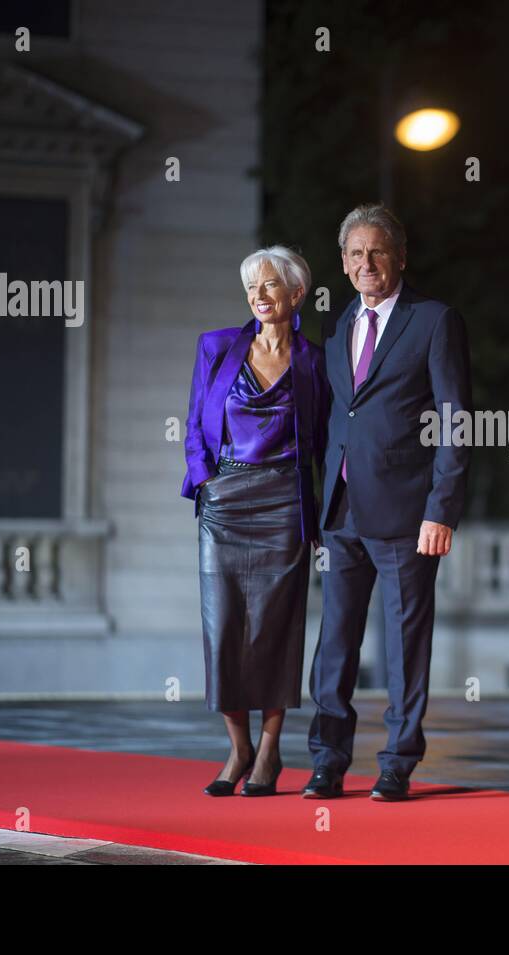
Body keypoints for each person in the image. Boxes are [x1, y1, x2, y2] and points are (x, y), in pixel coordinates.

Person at [304, 203, 472, 801]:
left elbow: (456, 420)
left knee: (403, 645)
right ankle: (327, 760)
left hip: (407, 513)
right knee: (334, 642)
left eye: (377, 251)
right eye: (355, 254)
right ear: (344, 264)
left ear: (400, 257)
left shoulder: (433, 320)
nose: (366, 263)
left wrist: (441, 507)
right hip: (343, 506)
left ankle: (397, 763)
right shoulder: (338, 324)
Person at [181, 245, 329, 797]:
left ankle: (269, 750)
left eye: (269, 285)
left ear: (295, 293)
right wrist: (205, 480)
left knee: (275, 626)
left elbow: (326, 438)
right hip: (224, 501)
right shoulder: (216, 347)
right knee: (223, 627)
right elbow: (195, 422)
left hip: (283, 503)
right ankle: (237, 746)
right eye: (251, 287)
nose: (258, 296)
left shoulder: (315, 361)